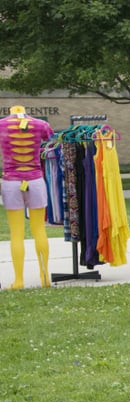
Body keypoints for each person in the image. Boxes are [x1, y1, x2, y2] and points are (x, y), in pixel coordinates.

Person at [0, 105, 54, 289]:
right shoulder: (40, 124)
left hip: (11, 182)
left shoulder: (1, 125)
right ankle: (45, 277)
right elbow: (50, 137)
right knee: (39, 229)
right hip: (35, 180)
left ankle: (19, 280)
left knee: (16, 233)